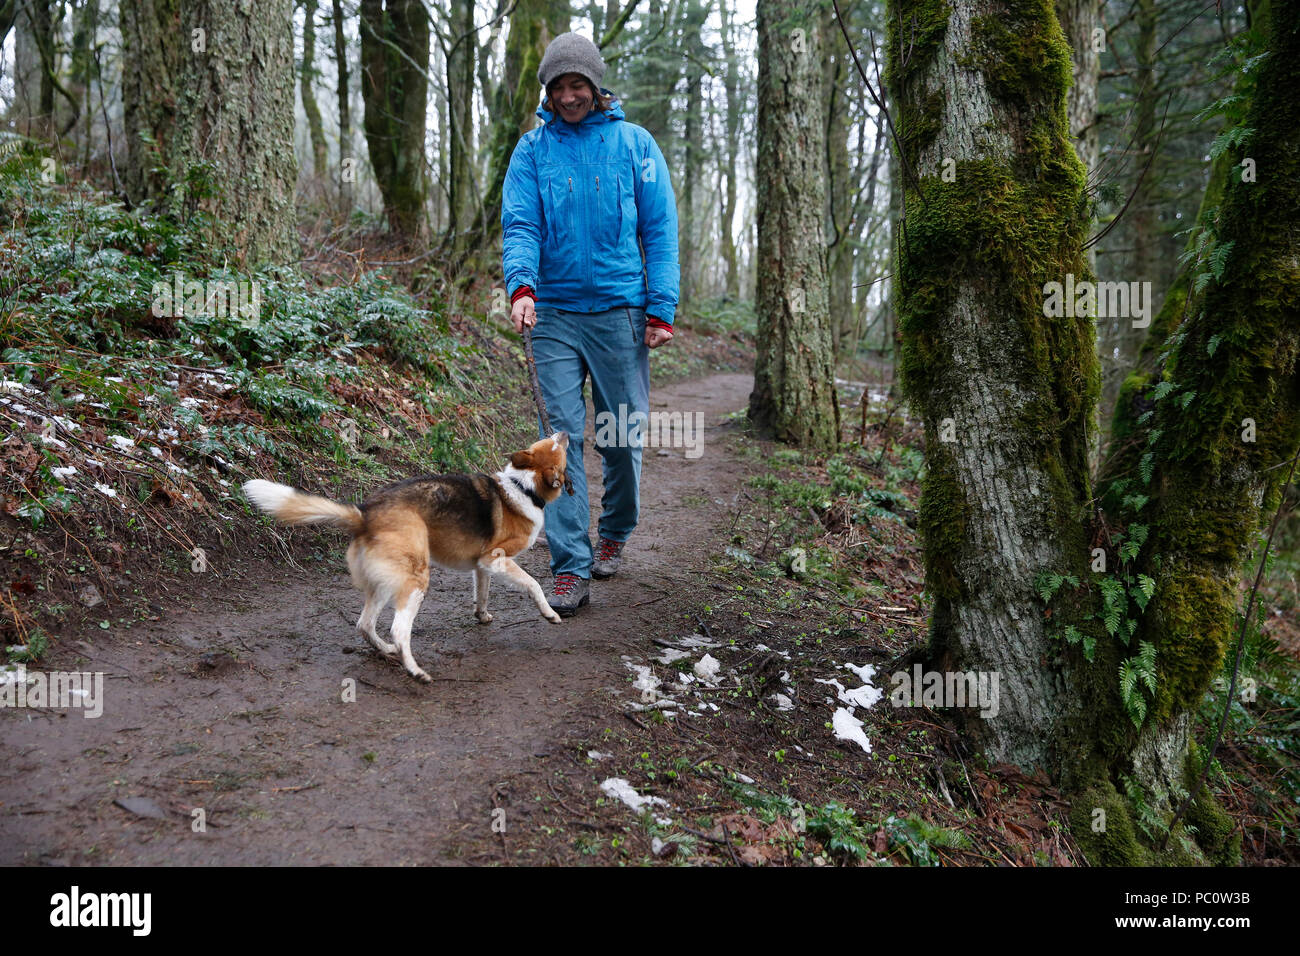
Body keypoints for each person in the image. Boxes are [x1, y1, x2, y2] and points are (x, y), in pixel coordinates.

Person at [501, 31, 679, 615]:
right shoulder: (532, 152)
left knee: (622, 437)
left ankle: (616, 531)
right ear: (547, 93)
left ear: (597, 87)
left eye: (579, 84)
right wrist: (521, 286)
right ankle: (570, 563)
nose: (570, 95)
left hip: (620, 311)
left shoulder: (636, 145)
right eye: (559, 86)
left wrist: (661, 307)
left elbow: (659, 231)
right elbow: (522, 224)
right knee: (561, 445)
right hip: (551, 313)